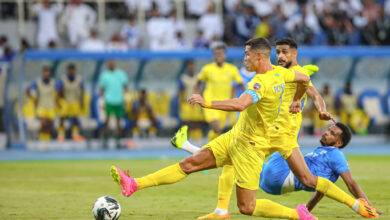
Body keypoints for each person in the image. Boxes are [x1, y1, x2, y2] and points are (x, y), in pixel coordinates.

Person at [110, 38, 318, 219]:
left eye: (247, 55)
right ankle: (133, 184)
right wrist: (297, 99)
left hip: (251, 148)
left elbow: (240, 104)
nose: (244, 59)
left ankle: (297, 214)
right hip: (236, 137)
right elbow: (305, 78)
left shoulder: (261, 83)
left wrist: (206, 102)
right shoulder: (282, 73)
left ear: (260, 57)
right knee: (190, 163)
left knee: (247, 207)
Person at [173, 37, 378, 219]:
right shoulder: (277, 73)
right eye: (278, 52)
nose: (280, 56)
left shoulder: (294, 73)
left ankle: (356, 206)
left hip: (285, 137)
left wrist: (315, 107)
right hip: (268, 132)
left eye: (284, 52)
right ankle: (220, 210)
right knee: (235, 157)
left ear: (294, 54)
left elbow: (314, 93)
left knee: (306, 178)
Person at [172, 123, 379, 218]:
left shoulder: (336, 156)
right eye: (328, 129)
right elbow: (321, 187)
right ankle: (187, 146)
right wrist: (306, 211)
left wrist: (366, 205)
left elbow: (351, 183)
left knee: (287, 130)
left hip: (282, 176)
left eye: (332, 133)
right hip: (273, 181)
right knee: (235, 158)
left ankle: (296, 93)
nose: (326, 133)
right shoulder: (321, 151)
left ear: (339, 142)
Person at [194, 43, 245, 142]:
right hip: (210, 103)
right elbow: (198, 82)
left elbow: (241, 84)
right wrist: (195, 96)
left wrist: (248, 98)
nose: (218, 56)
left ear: (225, 55)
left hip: (225, 104)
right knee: (217, 127)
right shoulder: (207, 69)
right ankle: (212, 148)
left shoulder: (232, 69)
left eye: (220, 54)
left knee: (219, 131)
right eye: (216, 54)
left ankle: (210, 145)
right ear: (213, 56)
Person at [98, 60, 128, 148]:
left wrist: (126, 99)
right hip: (109, 101)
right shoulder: (104, 75)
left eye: (112, 63)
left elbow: (125, 87)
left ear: (114, 64)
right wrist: (101, 100)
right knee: (106, 122)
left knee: (119, 123)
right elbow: (101, 89)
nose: (110, 64)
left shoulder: (120, 74)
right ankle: (105, 141)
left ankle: (118, 141)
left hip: (118, 100)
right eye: (109, 63)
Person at [26, 66, 56, 141]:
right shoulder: (38, 82)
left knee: (49, 125)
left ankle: (47, 141)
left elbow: (58, 91)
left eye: (48, 71)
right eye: (45, 71)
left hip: (51, 106)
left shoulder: (53, 82)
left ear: (50, 73)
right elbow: (28, 89)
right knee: (43, 124)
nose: (47, 73)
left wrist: (57, 101)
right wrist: (33, 99)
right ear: (43, 73)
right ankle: (41, 140)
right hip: (41, 106)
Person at [56, 63, 84, 142]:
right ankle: (61, 135)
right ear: (68, 70)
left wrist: (82, 102)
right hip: (65, 101)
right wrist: (58, 101)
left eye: (72, 69)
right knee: (62, 118)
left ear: (74, 70)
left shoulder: (79, 79)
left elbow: (82, 91)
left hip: (74, 101)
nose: (71, 71)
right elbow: (59, 90)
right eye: (70, 69)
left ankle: (75, 134)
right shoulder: (63, 79)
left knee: (75, 117)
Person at [178, 60, 204, 143]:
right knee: (185, 122)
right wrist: (180, 103)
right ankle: (184, 139)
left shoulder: (199, 77)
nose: (191, 67)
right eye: (189, 65)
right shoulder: (183, 78)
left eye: (192, 65)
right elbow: (180, 91)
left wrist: (203, 102)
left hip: (196, 103)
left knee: (196, 122)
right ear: (187, 67)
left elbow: (202, 90)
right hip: (186, 103)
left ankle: (196, 139)